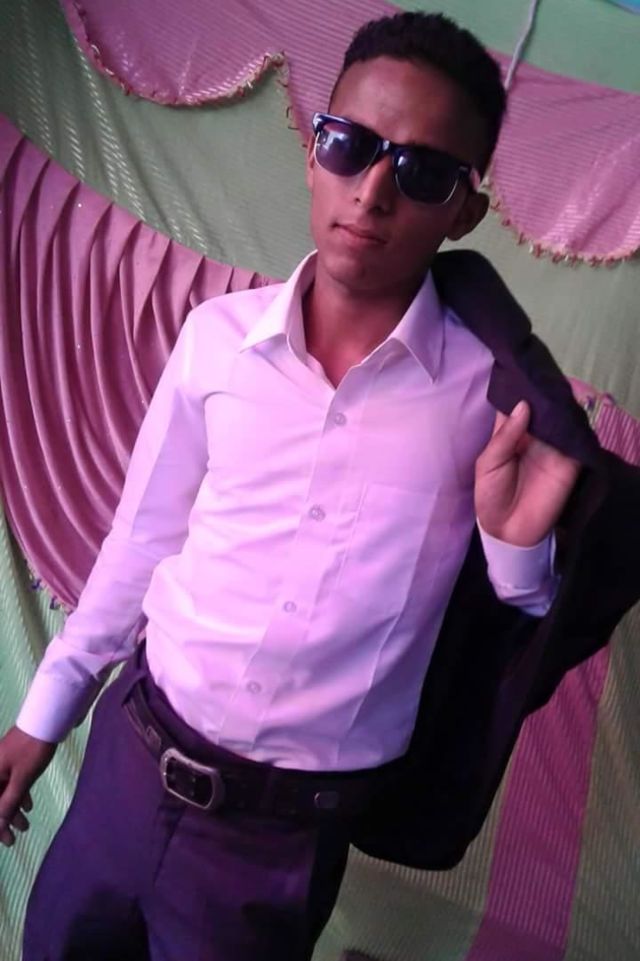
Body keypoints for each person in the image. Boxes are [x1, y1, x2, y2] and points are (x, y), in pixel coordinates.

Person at [1, 10, 638, 961]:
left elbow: (507, 634)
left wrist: (516, 551)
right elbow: (141, 541)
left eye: (422, 172)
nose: (372, 192)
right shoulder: (216, 340)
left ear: (464, 211)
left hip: (279, 841)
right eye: (350, 146)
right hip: (125, 769)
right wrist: (41, 716)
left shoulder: (492, 401)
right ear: (313, 151)